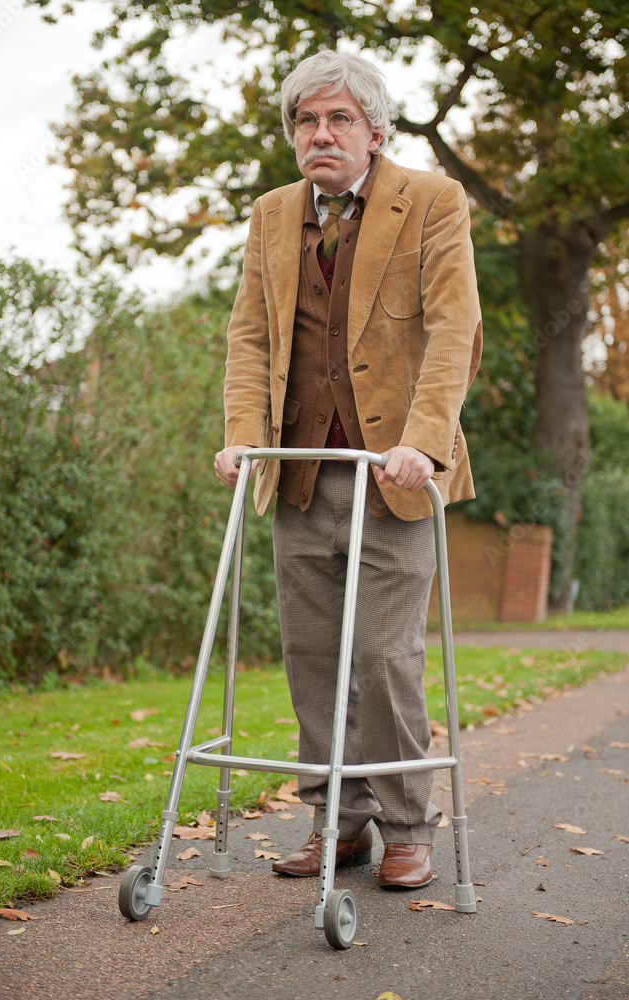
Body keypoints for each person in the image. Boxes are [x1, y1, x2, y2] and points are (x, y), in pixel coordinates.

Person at [214, 49, 482, 888]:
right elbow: (251, 336)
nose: (319, 134)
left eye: (337, 119)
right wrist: (241, 433)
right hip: (295, 470)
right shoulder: (270, 214)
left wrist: (423, 443)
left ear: (374, 129)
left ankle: (407, 826)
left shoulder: (432, 201)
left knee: (384, 655)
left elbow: (454, 329)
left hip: (395, 475)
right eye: (305, 119)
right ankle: (340, 821)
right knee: (314, 656)